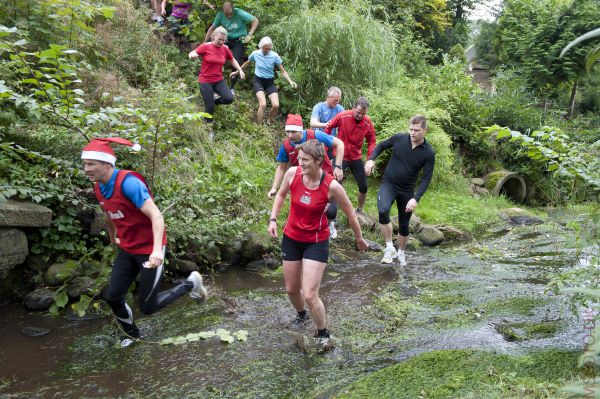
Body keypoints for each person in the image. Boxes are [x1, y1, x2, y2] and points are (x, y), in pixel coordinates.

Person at [81, 137, 208, 340]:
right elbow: (108, 213)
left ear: (106, 164)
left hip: (149, 250)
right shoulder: (98, 186)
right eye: (85, 164)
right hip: (128, 248)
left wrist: (157, 250)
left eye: (90, 164)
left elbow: (156, 215)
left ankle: (190, 283)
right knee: (112, 296)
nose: (86, 169)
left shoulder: (129, 184)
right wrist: (113, 237)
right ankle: (131, 336)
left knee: (148, 307)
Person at [268, 139, 368, 342]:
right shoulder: (292, 173)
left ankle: (323, 333)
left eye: (305, 160)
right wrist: (273, 219)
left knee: (310, 295)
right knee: (291, 289)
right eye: (300, 158)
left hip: (316, 241)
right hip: (291, 238)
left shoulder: (331, 186)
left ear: (318, 161)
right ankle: (301, 315)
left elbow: (350, 214)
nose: (301, 163)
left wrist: (359, 239)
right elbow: (280, 195)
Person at [365, 115, 436, 266]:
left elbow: (426, 178)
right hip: (389, 183)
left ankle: (401, 253)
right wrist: (371, 159)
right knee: (383, 211)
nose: (412, 133)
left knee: (404, 225)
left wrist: (416, 198)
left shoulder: (428, 153)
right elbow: (381, 146)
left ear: (425, 130)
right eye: (411, 129)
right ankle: (390, 247)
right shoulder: (399, 138)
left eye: (416, 130)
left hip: (407, 191)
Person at [267, 114, 344, 238]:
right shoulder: (286, 145)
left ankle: (328, 226)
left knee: (331, 211)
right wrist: (274, 188)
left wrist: (338, 166)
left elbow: (339, 144)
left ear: (300, 130)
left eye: (293, 131)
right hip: (304, 181)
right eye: (287, 131)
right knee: (307, 208)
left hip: (326, 179)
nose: (290, 135)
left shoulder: (315, 135)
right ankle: (307, 233)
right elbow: (281, 168)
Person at [324, 96, 376, 213]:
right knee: (335, 185)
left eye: (363, 113)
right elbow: (328, 127)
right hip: (340, 155)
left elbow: (372, 141)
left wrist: (370, 159)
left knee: (364, 186)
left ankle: (359, 210)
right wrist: (327, 147)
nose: (360, 115)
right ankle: (332, 215)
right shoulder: (343, 116)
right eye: (358, 112)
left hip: (355, 156)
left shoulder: (367, 122)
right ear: (353, 108)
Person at [233, 36, 297, 124]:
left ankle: (270, 121)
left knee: (276, 105)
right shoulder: (255, 54)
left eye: (269, 49)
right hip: (258, 81)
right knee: (263, 104)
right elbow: (247, 63)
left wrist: (290, 81)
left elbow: (283, 71)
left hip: (269, 82)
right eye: (265, 49)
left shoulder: (274, 56)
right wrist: (238, 71)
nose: (267, 50)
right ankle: (259, 127)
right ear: (261, 47)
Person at [188, 26, 245, 118]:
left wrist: (240, 70)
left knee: (229, 98)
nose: (222, 42)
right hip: (205, 80)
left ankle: (214, 101)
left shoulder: (225, 48)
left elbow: (232, 60)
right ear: (213, 36)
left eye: (224, 40)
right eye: (219, 39)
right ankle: (208, 126)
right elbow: (192, 53)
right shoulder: (206, 46)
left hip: (218, 80)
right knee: (209, 107)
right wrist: (192, 55)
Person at [204, 1, 259, 92]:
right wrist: (205, 41)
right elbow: (212, 28)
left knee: (236, 61)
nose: (229, 16)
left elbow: (255, 20)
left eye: (230, 14)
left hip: (239, 40)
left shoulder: (239, 12)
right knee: (214, 54)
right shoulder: (220, 14)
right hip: (226, 39)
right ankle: (211, 78)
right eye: (227, 15)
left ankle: (232, 87)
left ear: (233, 9)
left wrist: (250, 34)